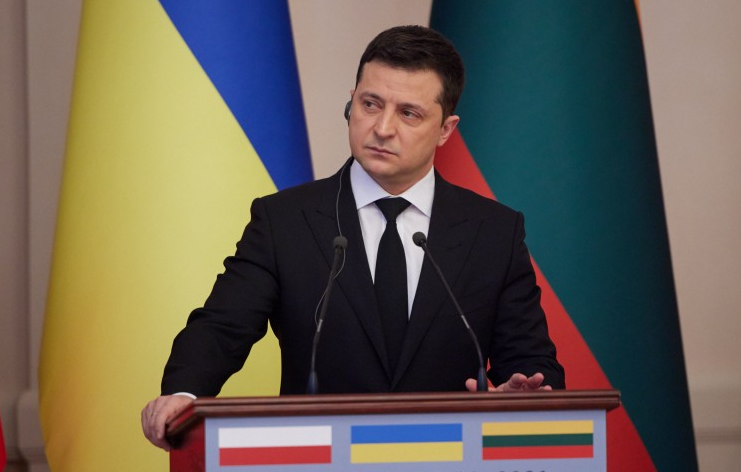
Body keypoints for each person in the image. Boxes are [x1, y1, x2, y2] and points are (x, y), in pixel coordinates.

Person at [142, 25, 564, 450]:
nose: (382, 127)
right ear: (351, 103)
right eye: (370, 104)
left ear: (445, 129)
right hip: (316, 457)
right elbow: (222, 326)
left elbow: (530, 361)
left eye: (409, 113)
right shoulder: (284, 220)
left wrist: (523, 394)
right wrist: (185, 393)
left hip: (451, 454)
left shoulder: (493, 232)